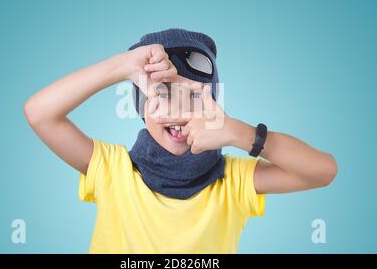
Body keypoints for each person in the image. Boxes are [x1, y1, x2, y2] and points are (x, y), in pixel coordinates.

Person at [24, 28, 338, 253]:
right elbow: (39, 113)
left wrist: (240, 133)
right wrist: (122, 66)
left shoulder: (232, 182)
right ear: (142, 109)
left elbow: (323, 171)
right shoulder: (112, 170)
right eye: (163, 95)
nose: (180, 113)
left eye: (192, 98)